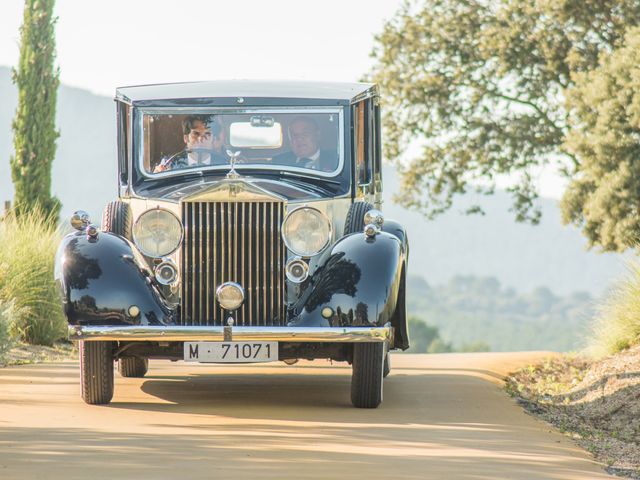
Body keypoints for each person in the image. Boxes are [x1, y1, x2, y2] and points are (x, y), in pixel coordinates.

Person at [153, 115, 227, 173]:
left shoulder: (224, 165)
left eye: (207, 134)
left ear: (213, 139)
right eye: (196, 134)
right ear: (186, 138)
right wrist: (157, 173)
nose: (200, 139)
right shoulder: (171, 164)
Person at [273, 117, 338, 171]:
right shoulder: (278, 162)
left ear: (317, 135)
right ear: (290, 141)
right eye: (295, 135)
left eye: (305, 134)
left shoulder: (336, 160)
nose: (299, 139)